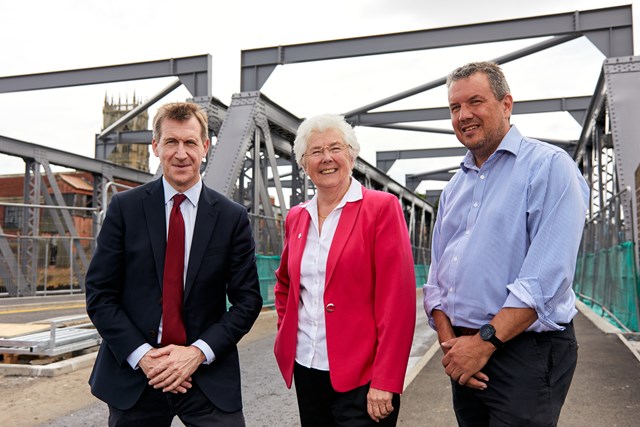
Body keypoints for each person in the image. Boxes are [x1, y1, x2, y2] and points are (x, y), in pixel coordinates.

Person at [423, 61, 589, 426]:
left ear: (506, 104)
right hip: (464, 351)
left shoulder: (549, 166)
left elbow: (546, 278)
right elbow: (437, 276)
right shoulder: (454, 188)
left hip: (522, 350)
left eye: (475, 102)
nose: (464, 115)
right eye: (454, 107)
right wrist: (452, 344)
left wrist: (482, 344)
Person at [85, 101, 263, 426]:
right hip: (139, 372)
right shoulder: (125, 209)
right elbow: (100, 294)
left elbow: (248, 300)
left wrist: (196, 353)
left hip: (205, 371)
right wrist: (144, 357)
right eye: (171, 142)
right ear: (156, 146)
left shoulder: (231, 218)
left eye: (190, 142)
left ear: (205, 147)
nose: (181, 153)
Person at [274, 114, 417, 426]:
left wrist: (385, 380)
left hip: (363, 378)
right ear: (302, 162)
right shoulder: (297, 218)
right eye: (315, 151)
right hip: (307, 369)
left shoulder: (381, 208)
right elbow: (285, 283)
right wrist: (287, 330)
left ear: (351, 154)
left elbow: (398, 304)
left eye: (335, 148)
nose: (326, 158)